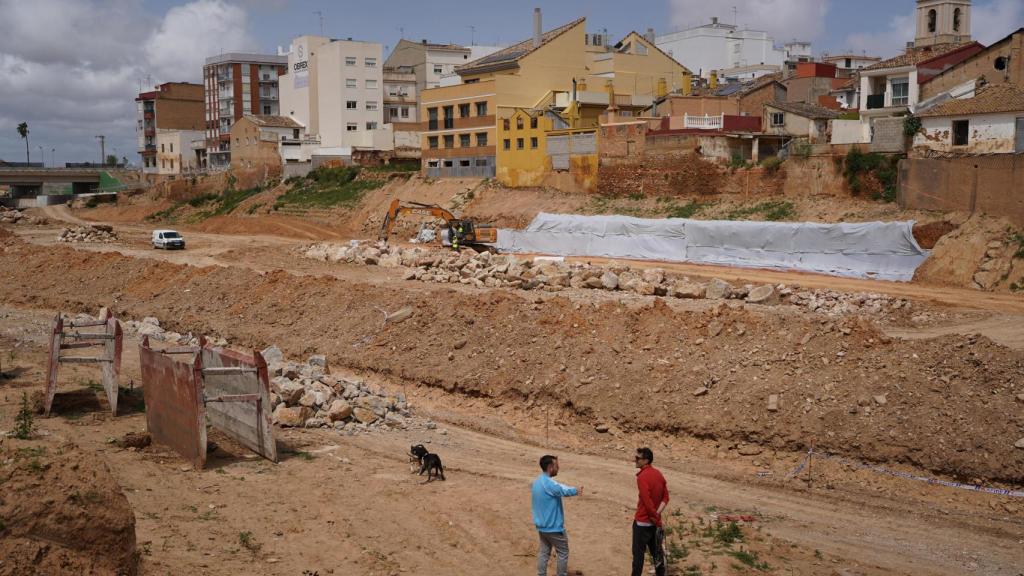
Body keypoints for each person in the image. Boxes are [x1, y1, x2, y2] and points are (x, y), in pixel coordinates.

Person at [531, 454, 583, 576]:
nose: (558, 468)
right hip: (554, 527)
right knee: (563, 552)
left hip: (542, 527)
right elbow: (561, 490)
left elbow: (558, 487)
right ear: (550, 467)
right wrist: (576, 490)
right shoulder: (548, 484)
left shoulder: (537, 482)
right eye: (556, 465)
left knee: (544, 553)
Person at [632, 447, 669, 576]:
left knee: (638, 557)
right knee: (657, 556)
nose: (635, 460)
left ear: (646, 460)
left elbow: (647, 503)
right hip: (654, 524)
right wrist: (657, 516)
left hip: (642, 523)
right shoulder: (658, 474)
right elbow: (666, 498)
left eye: (638, 458)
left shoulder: (642, 477)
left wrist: (655, 518)